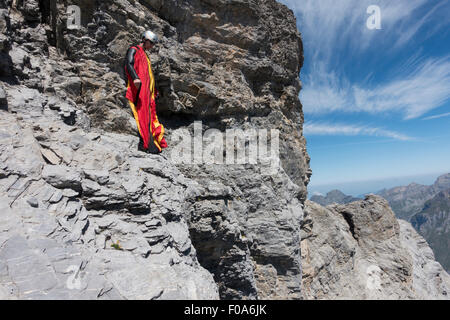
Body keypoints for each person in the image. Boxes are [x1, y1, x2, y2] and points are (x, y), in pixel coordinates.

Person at [124, 30, 167, 154]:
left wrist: (154, 91)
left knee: (149, 116)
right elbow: (129, 63)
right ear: (145, 40)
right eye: (151, 43)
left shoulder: (145, 55)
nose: (152, 46)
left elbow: (149, 76)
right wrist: (135, 77)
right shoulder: (134, 49)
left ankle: (149, 143)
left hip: (148, 92)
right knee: (142, 114)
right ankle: (144, 143)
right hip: (140, 90)